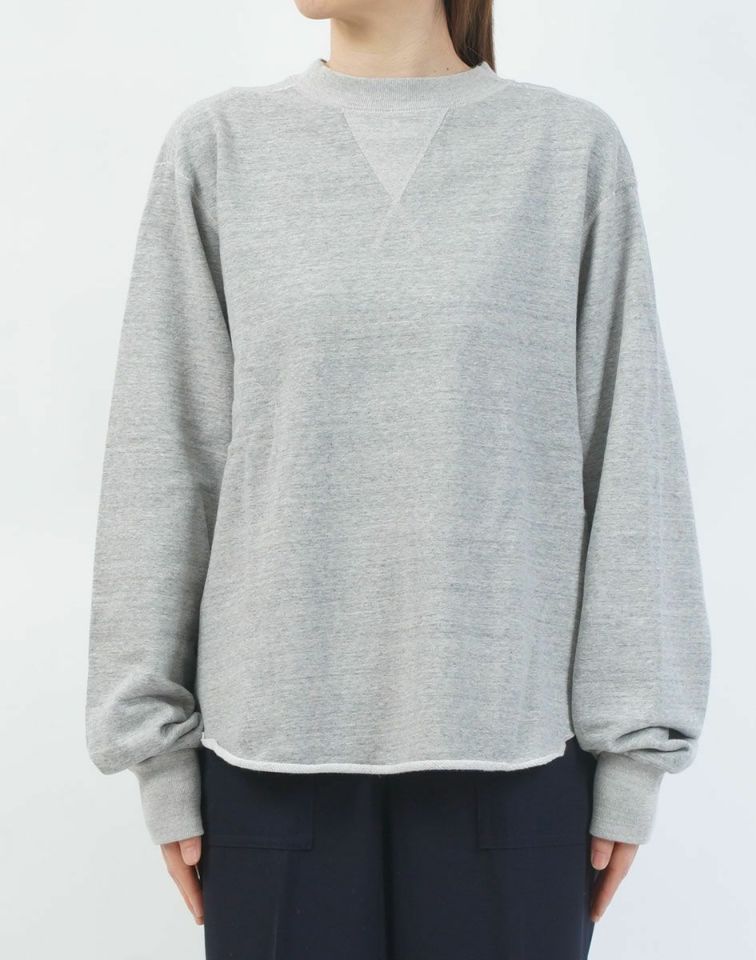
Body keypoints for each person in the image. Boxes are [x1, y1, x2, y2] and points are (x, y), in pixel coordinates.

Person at [84, 1, 712, 957]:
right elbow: (164, 451)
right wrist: (155, 749)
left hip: (516, 762)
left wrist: (635, 753)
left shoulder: (566, 153)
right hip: (267, 764)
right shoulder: (220, 148)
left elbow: (629, 452)